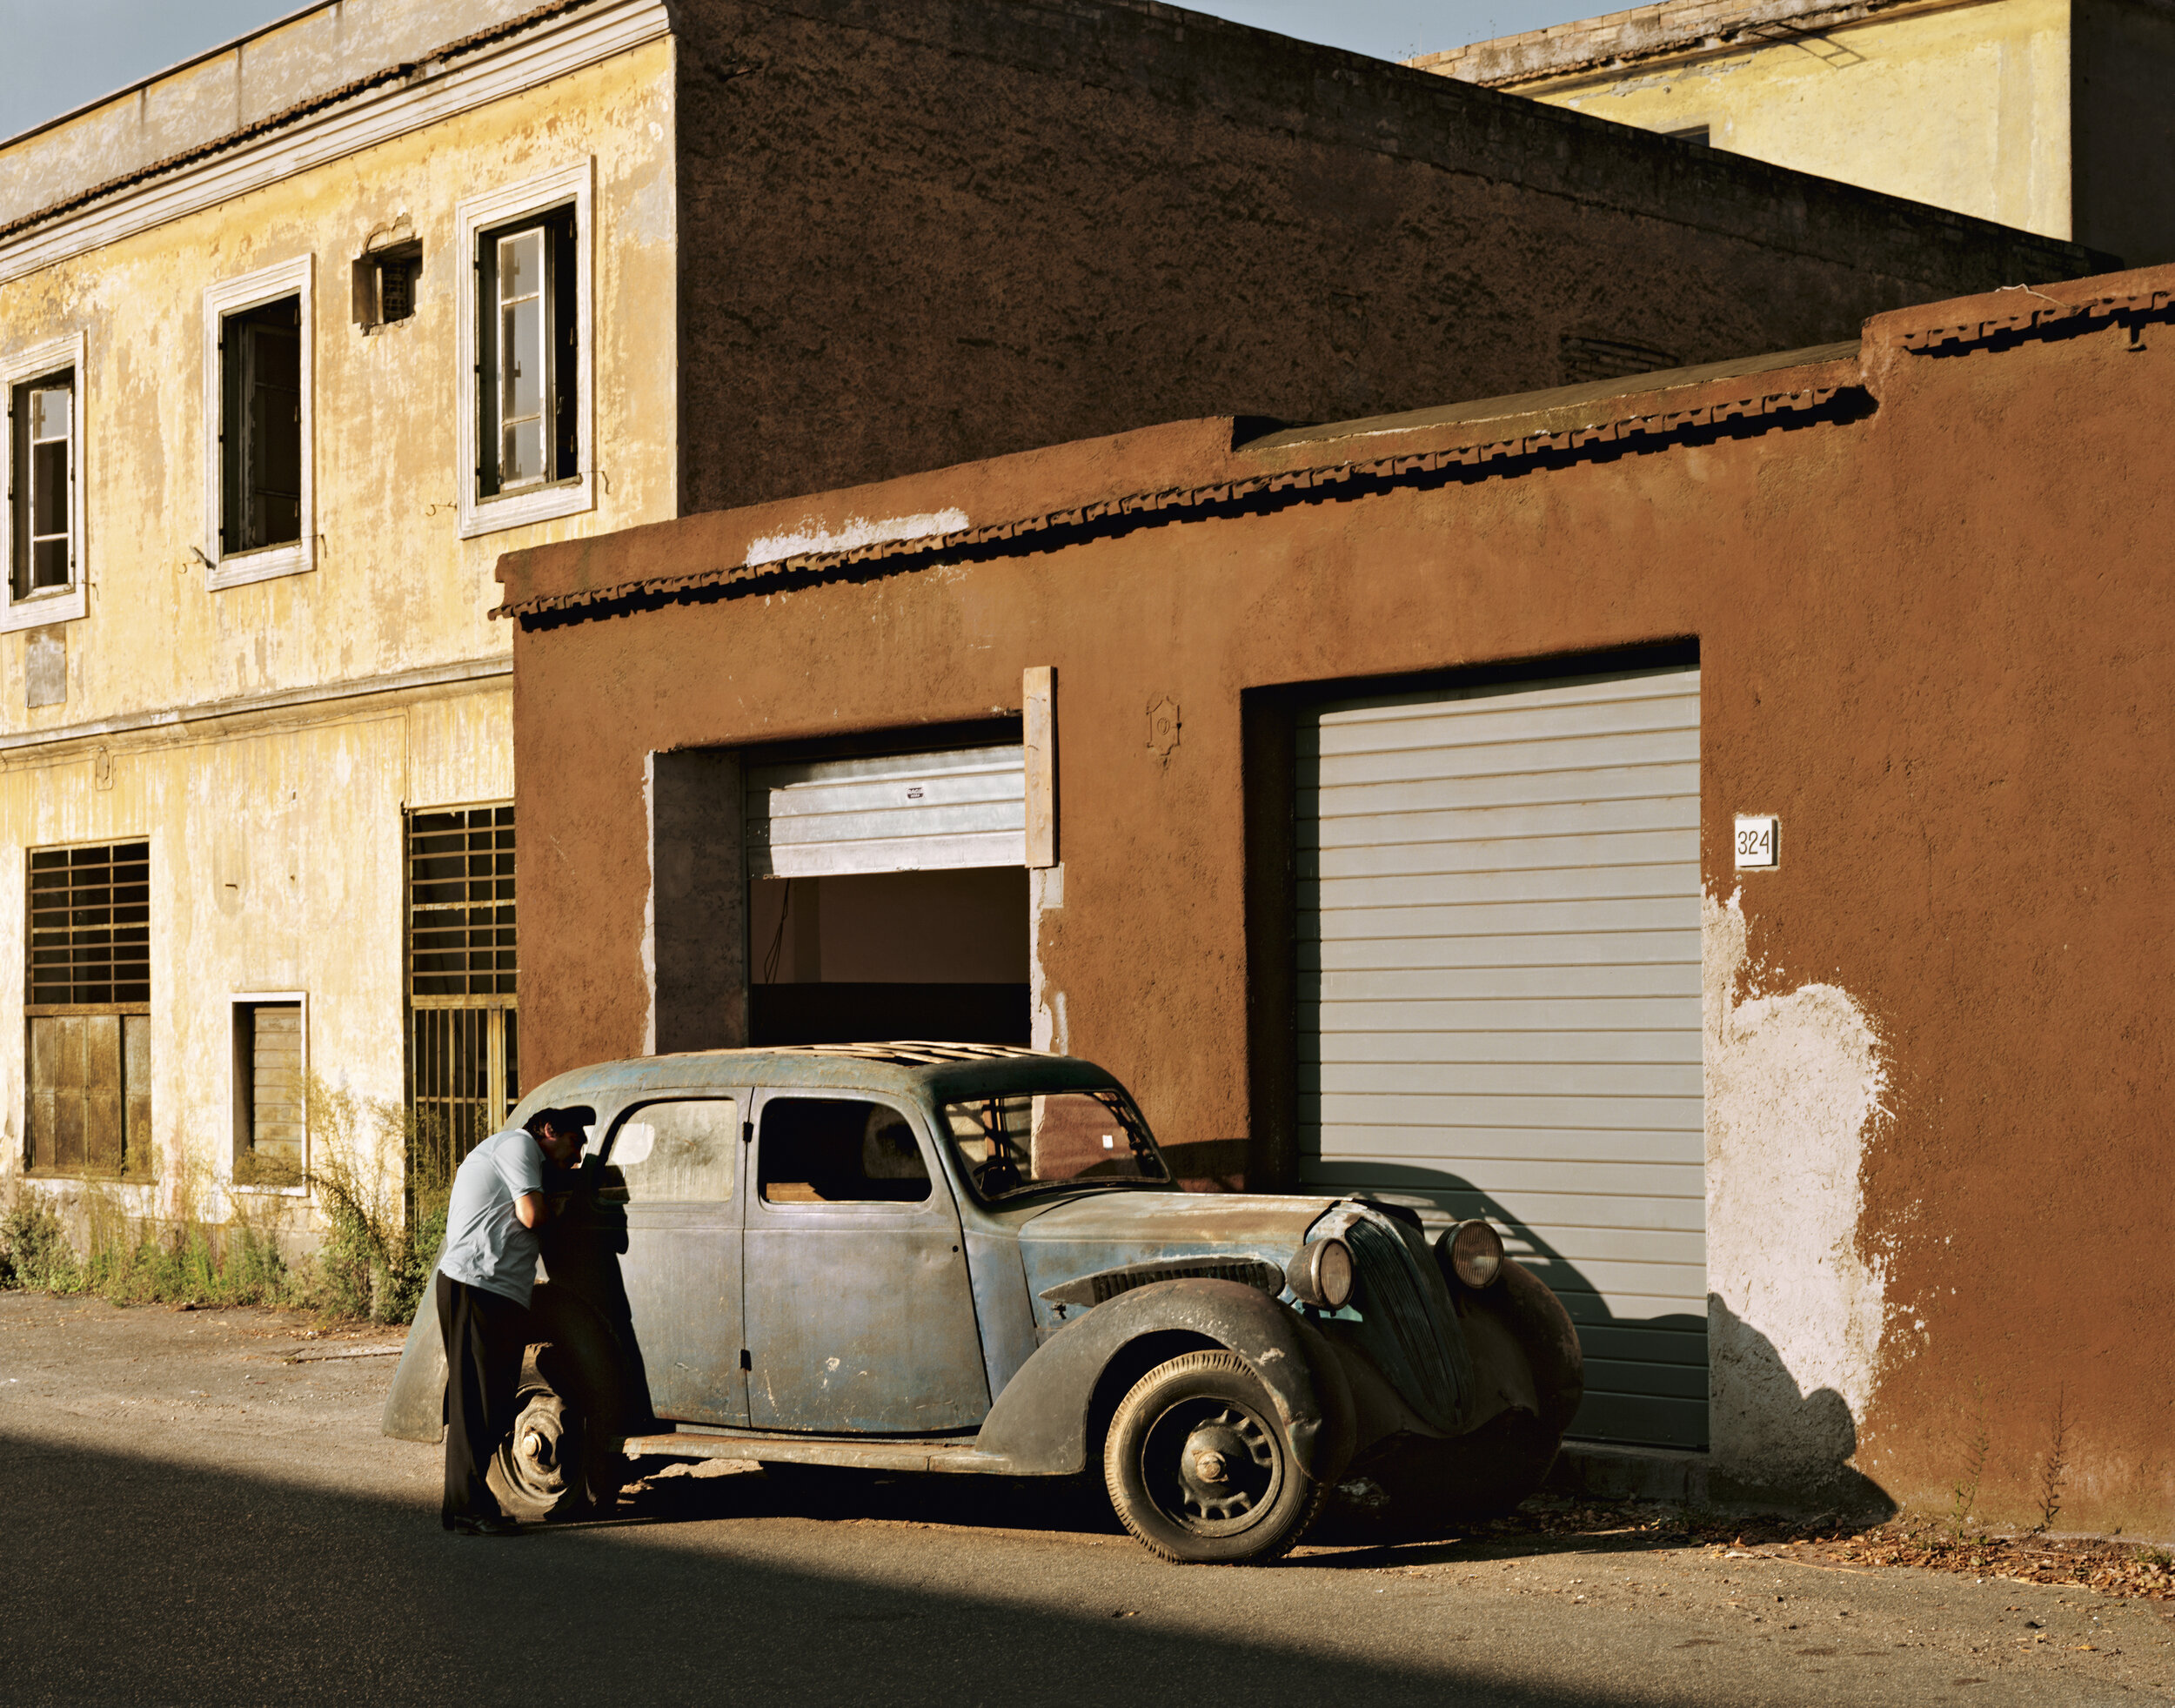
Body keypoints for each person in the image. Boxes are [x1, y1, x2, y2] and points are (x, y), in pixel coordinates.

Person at [435, 1106, 583, 1536]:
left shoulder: (527, 1158)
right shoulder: (518, 1144)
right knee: (475, 1401)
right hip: (474, 1284)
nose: (574, 1160)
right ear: (549, 1130)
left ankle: (461, 1505)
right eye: (574, 1144)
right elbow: (532, 1215)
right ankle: (467, 1506)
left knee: (495, 1402)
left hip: (497, 1291)